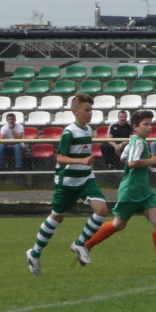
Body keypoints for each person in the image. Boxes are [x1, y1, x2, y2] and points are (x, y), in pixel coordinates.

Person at [82, 110, 156, 270]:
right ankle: (86, 245)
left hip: (144, 191)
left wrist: (144, 162)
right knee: (118, 225)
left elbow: (123, 158)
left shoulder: (135, 141)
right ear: (135, 127)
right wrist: (152, 160)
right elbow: (131, 163)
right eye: (146, 124)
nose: (150, 127)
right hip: (131, 191)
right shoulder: (138, 142)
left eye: (151, 124)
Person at [25, 93, 111, 275]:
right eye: (86, 110)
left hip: (86, 178)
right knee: (57, 217)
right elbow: (61, 158)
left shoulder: (88, 130)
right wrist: (81, 161)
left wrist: (85, 164)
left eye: (91, 110)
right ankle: (34, 253)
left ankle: (80, 244)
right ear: (75, 111)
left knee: (102, 210)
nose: (90, 113)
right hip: (68, 181)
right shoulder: (69, 132)